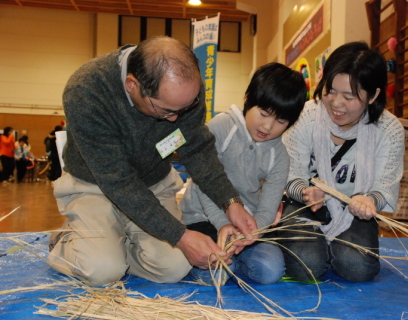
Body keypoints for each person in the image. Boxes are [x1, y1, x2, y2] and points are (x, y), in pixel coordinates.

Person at [48, 35, 258, 286]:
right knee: (101, 272)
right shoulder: (86, 91)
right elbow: (119, 183)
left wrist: (231, 202)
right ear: (131, 84)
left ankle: (108, 243)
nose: (174, 120)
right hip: (95, 187)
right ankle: (70, 241)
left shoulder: (183, 91)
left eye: (185, 109)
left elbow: (197, 149)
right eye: (166, 110)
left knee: (174, 268)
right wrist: (180, 236)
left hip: (153, 183)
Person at [277, 42, 405, 283]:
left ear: (374, 95)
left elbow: (384, 187)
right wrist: (305, 192)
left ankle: (331, 246)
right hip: (304, 206)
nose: (336, 103)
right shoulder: (305, 118)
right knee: (308, 266)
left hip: (354, 213)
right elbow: (289, 176)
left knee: (358, 268)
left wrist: (369, 200)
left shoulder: (389, 130)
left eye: (350, 96)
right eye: (331, 90)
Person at [180, 62, 307, 285]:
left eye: (281, 121)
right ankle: (223, 264)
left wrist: (250, 234)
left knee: (270, 270)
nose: (268, 127)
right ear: (248, 98)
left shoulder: (279, 155)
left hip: (245, 225)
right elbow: (204, 183)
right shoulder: (220, 127)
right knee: (215, 274)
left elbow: (268, 207)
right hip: (203, 216)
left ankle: (233, 262)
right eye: (264, 113)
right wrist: (223, 224)